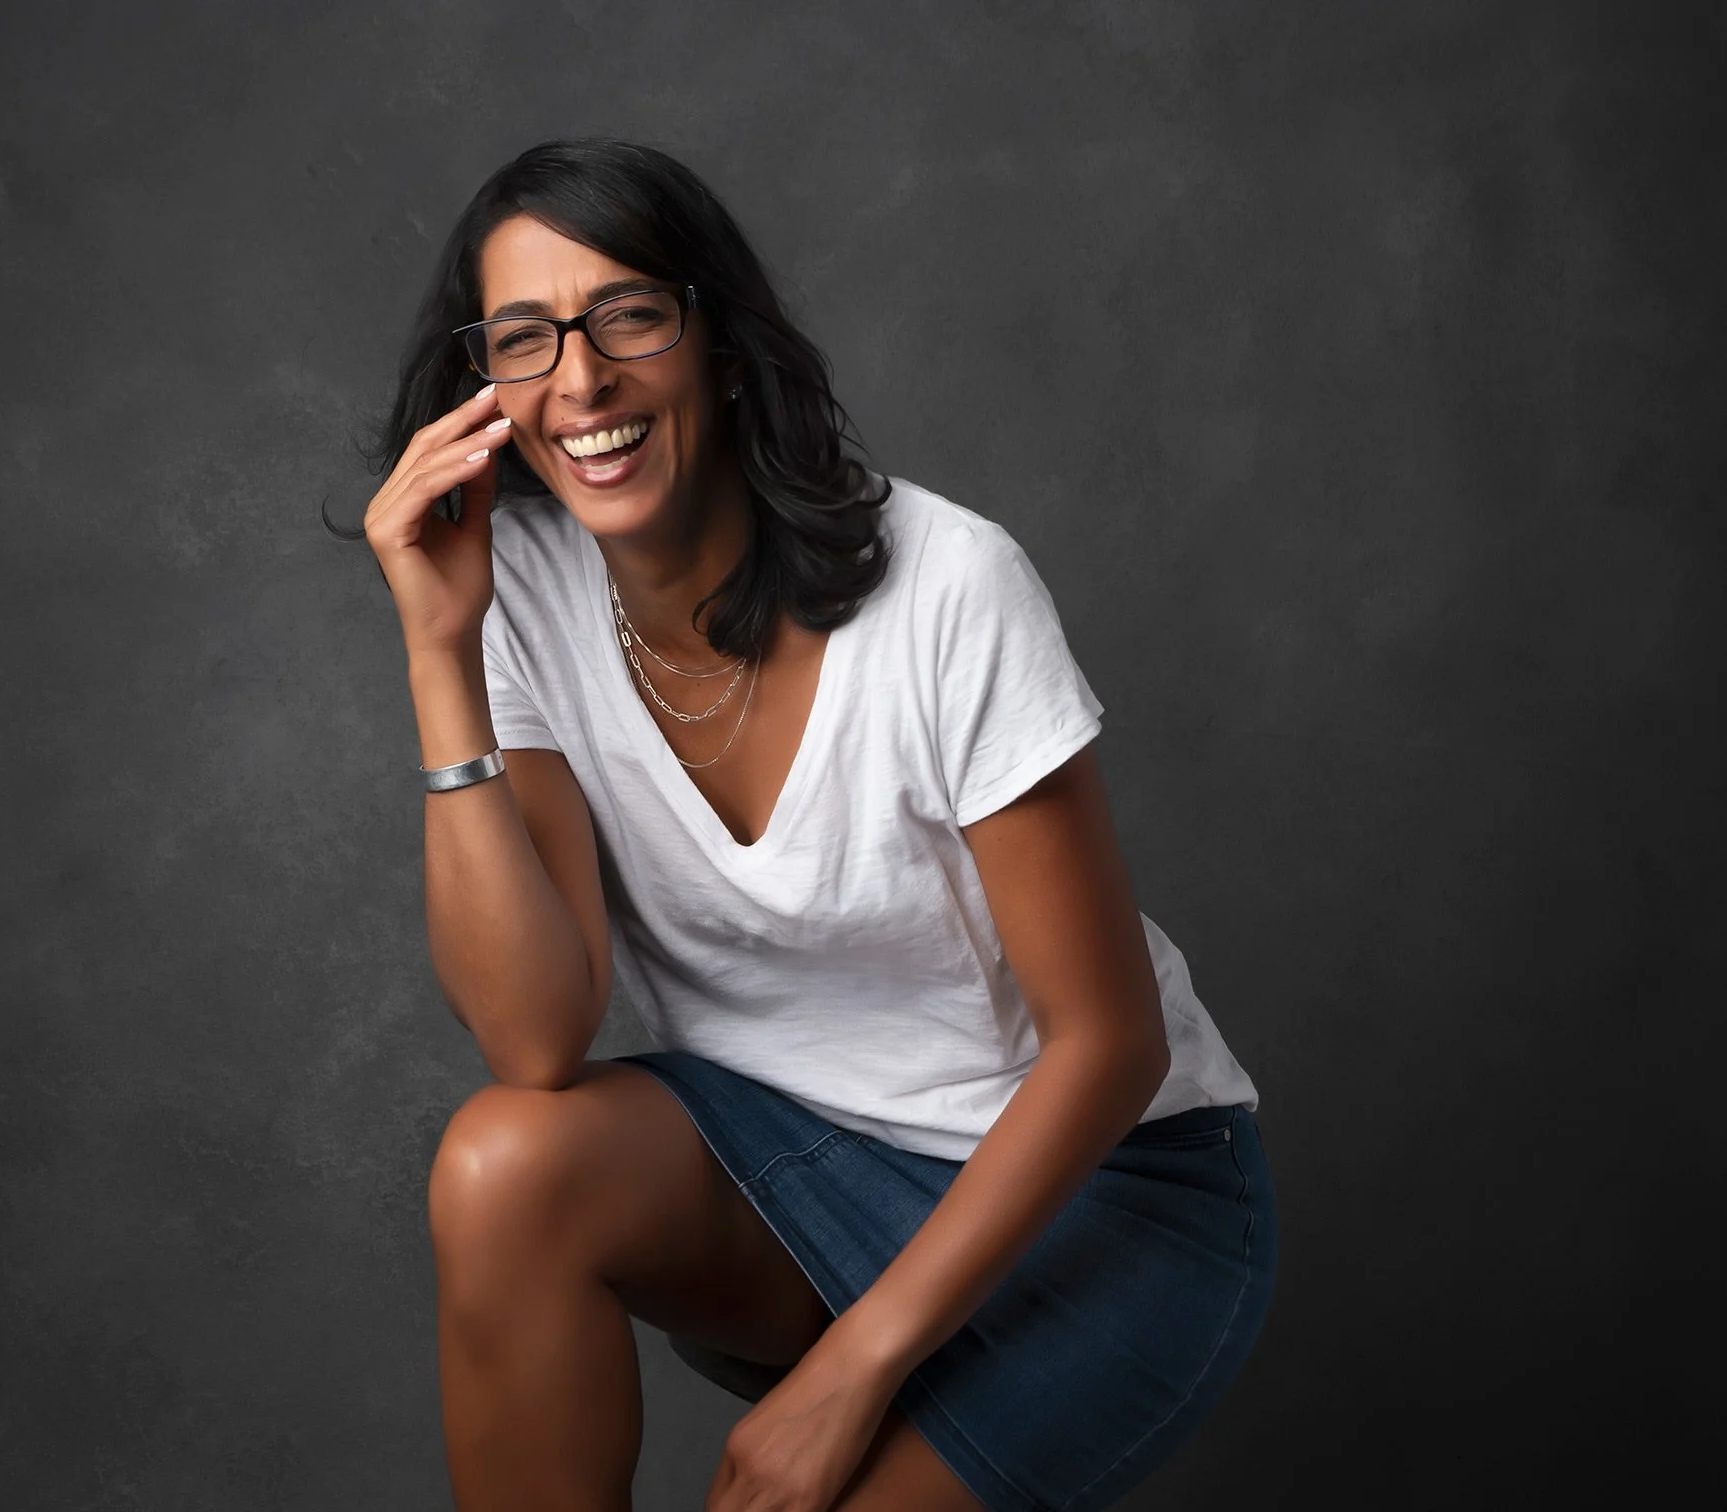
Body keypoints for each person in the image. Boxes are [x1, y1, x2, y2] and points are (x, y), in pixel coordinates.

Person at [333, 136, 1277, 1512]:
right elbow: (536, 1040)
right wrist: (438, 655)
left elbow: (1109, 1042)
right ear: (485, 386)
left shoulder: (948, 584)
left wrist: (851, 1372)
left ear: (717, 339)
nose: (580, 381)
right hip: (802, 1175)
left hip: (1100, 1199)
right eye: (524, 340)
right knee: (503, 1165)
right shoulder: (514, 586)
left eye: (628, 316)